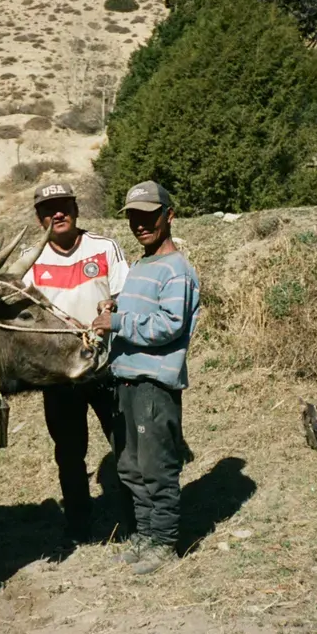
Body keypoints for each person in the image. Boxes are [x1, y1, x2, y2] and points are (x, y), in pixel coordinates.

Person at [91, 181, 200, 576]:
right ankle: (144, 535)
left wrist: (118, 322)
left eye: (149, 216)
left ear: (169, 215)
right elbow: (142, 305)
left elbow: (169, 325)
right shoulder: (141, 265)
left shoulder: (177, 270)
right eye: (134, 217)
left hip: (154, 384)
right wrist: (115, 302)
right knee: (130, 466)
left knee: (156, 466)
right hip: (127, 381)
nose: (140, 224)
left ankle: (164, 543)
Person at [21, 180, 129, 544]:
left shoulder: (104, 247)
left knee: (124, 445)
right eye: (48, 210)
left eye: (64, 206)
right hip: (60, 376)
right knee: (68, 454)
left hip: (105, 366)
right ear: (39, 219)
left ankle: (135, 518)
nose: (58, 214)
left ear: (76, 209)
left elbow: (126, 292)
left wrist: (112, 306)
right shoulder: (30, 260)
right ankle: (79, 526)